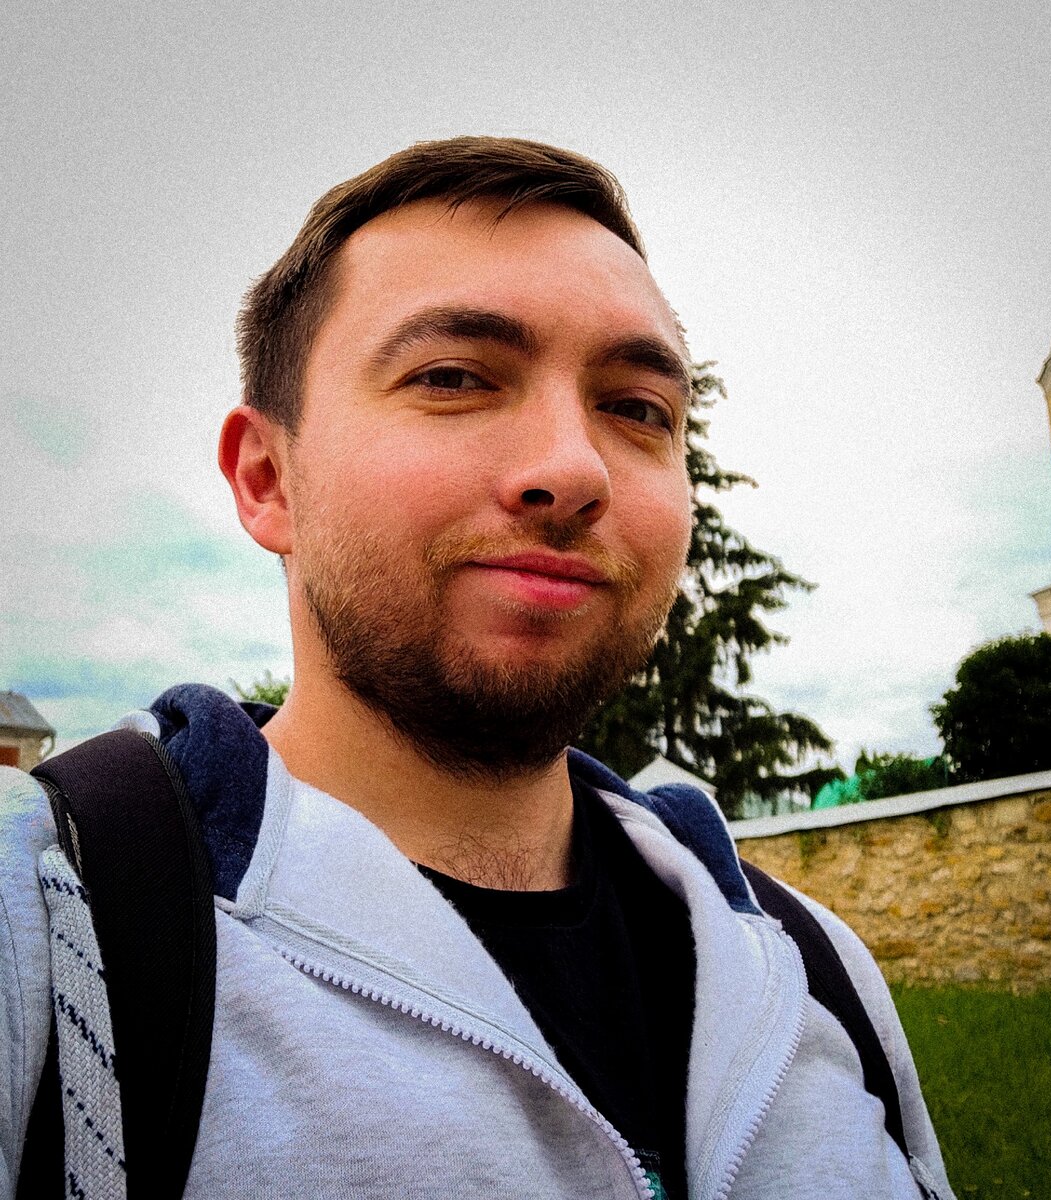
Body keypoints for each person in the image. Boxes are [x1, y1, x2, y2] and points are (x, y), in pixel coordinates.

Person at [1, 137, 954, 1199]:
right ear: (268, 479)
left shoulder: (811, 967)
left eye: (638, 409)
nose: (575, 469)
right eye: (453, 378)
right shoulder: (47, 918)